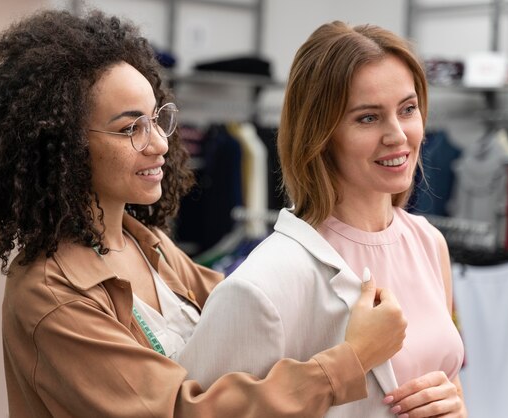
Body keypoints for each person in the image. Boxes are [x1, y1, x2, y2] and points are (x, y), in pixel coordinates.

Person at [0, 10, 408, 417]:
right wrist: (354, 356)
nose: (160, 143)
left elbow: (256, 314)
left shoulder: (149, 245)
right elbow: (182, 411)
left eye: (157, 119)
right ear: (60, 146)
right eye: (130, 129)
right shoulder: (52, 295)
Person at [178, 21, 467, 417]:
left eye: (408, 109)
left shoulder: (429, 243)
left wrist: (456, 403)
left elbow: (448, 379)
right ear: (320, 134)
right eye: (368, 118)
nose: (398, 134)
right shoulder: (264, 283)